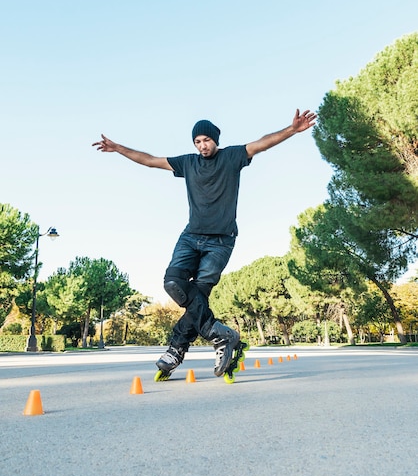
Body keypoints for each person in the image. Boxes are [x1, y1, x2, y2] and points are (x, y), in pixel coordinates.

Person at [92, 109, 316, 377]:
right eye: (197, 142)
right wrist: (118, 148)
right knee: (174, 283)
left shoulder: (232, 156)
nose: (202, 146)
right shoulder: (188, 163)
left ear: (215, 140)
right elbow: (150, 160)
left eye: (206, 140)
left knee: (198, 293)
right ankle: (218, 334)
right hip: (191, 236)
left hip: (220, 241)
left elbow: (262, 143)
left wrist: (291, 130)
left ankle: (176, 348)